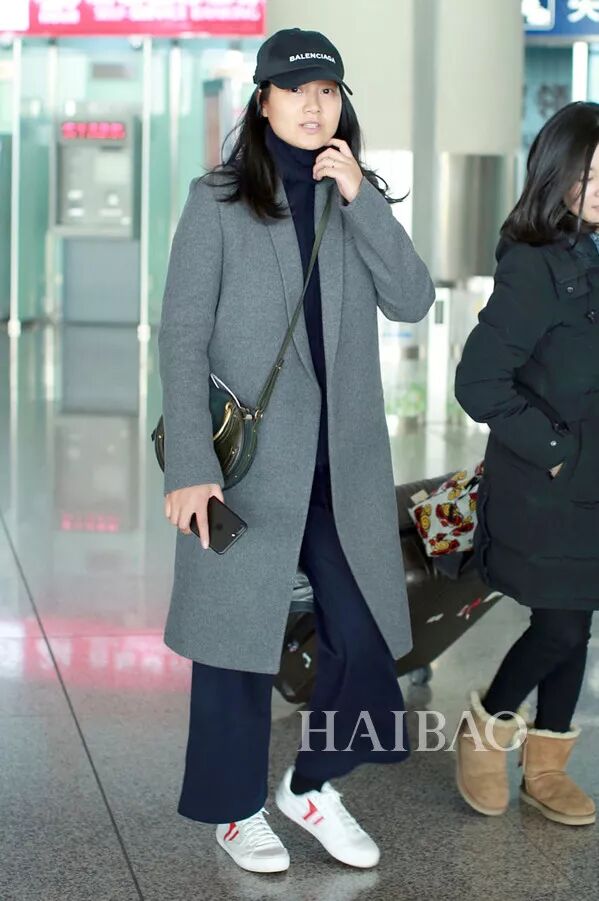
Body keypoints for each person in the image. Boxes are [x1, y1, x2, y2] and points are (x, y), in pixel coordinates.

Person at [158, 27, 435, 873]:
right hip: (245, 465)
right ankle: (235, 809)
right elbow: (181, 334)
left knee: (364, 633)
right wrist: (190, 467)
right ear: (262, 101)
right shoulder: (217, 200)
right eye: (295, 90)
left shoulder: (355, 193)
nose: (314, 106)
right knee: (235, 643)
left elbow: (412, 299)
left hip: (338, 466)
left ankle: (310, 786)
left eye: (327, 91)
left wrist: (361, 199)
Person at [454, 101, 599, 828]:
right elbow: (478, 382)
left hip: (591, 484)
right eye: (589, 174)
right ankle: (485, 733)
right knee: (562, 627)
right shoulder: (535, 264)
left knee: (576, 619)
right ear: (557, 174)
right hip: (548, 487)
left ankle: (546, 766)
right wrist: (556, 452)